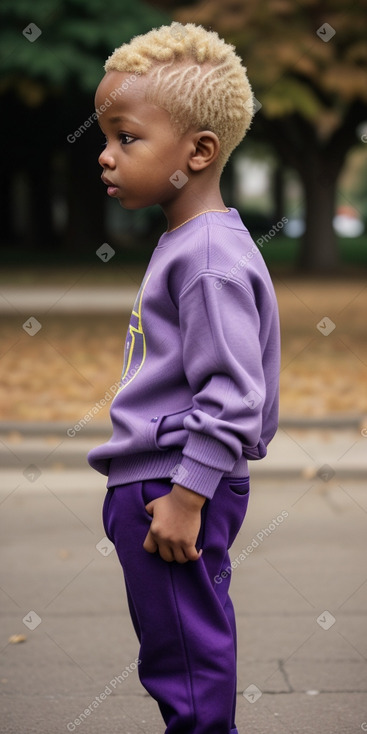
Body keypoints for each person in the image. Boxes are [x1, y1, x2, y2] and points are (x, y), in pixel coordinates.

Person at [88, 21, 280, 734]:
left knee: (185, 660)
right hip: (162, 478)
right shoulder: (193, 242)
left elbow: (232, 394)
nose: (104, 157)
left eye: (125, 137)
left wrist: (185, 495)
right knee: (181, 644)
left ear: (198, 151)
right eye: (105, 137)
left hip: (169, 482)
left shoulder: (205, 259)